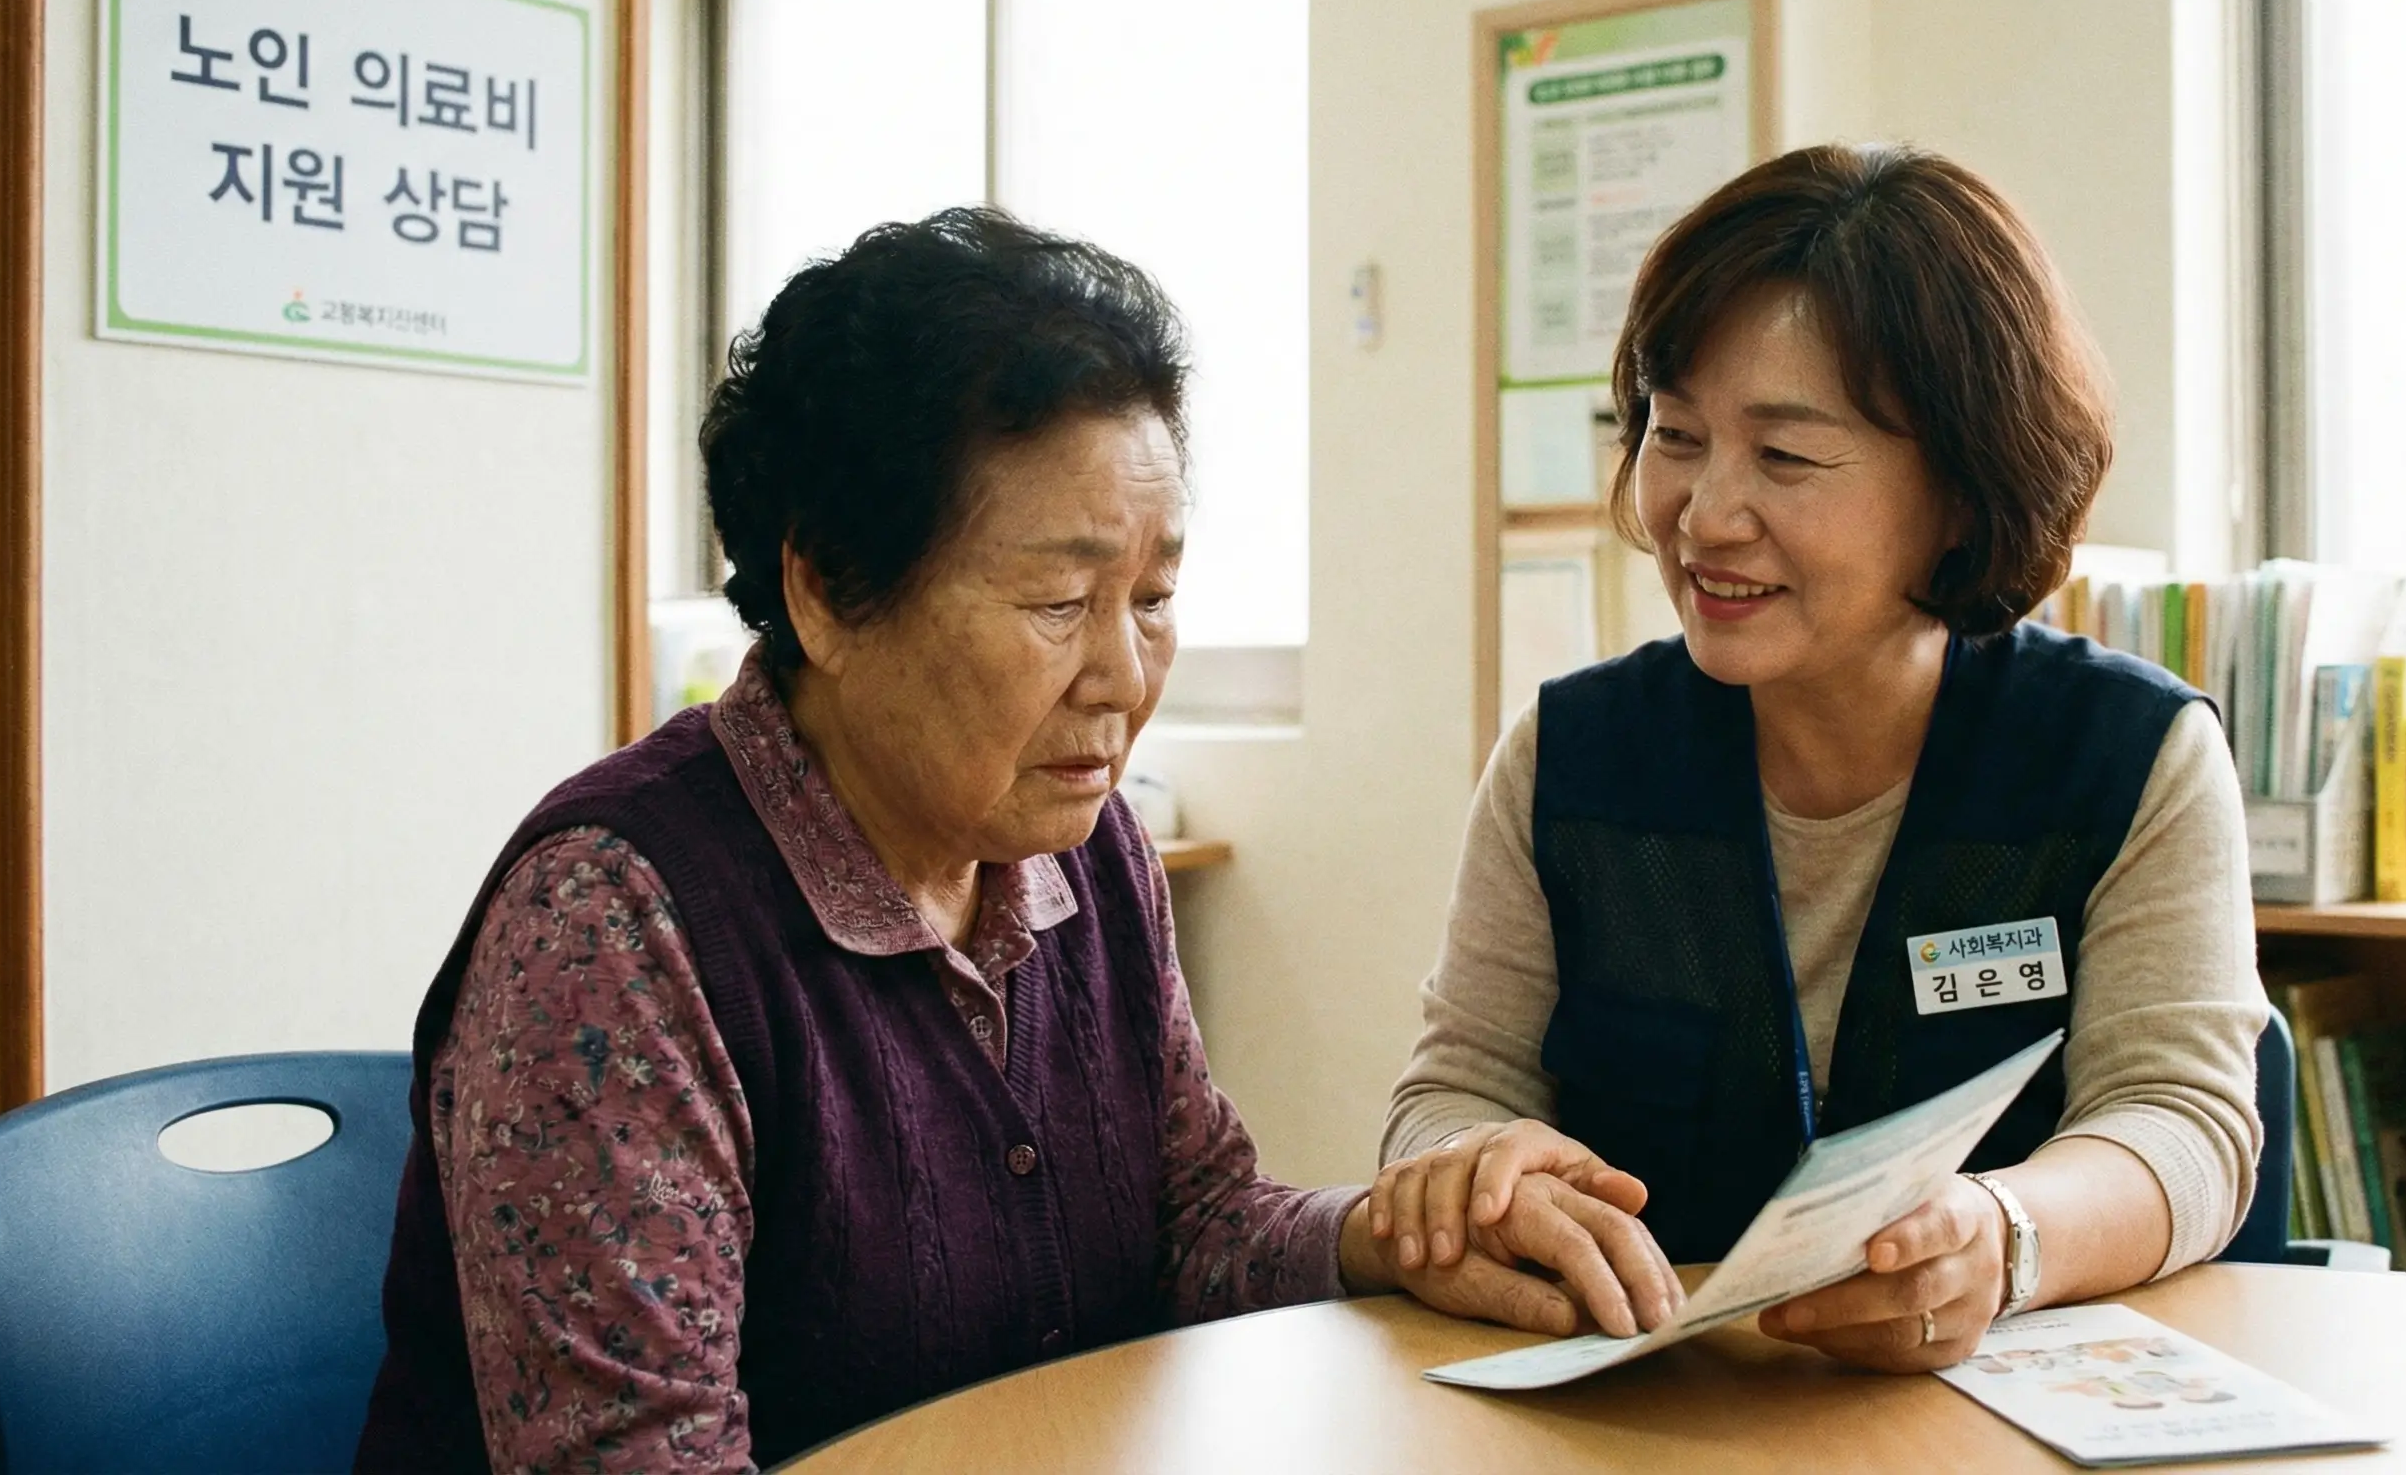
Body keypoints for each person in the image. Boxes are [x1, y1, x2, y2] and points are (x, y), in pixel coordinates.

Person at [355, 209, 1678, 1473]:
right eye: (1057, 601)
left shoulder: (1085, 856)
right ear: (823, 588)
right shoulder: (616, 926)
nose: (1124, 674)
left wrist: (1388, 1239)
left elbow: (1198, 1230)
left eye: (1153, 596)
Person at [1370, 143, 2265, 1373]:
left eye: (1784, 457)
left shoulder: (2126, 760)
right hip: (1656, 1425)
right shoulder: (1570, 763)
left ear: (1960, 486)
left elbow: (2183, 1122)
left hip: (1985, 1422)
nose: (1704, 513)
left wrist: (2000, 1237)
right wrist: (1478, 1173)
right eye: (1675, 434)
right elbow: (1451, 1093)